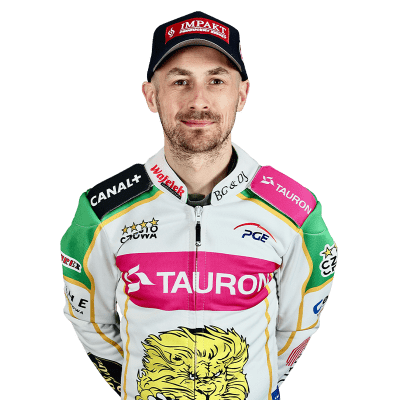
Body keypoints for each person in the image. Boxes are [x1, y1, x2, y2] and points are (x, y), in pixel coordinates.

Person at [61, 11, 337, 400]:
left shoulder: (296, 213)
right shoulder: (100, 213)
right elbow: (90, 323)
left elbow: (297, 329)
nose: (199, 101)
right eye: (180, 81)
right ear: (151, 96)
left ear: (242, 95)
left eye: (216, 80)